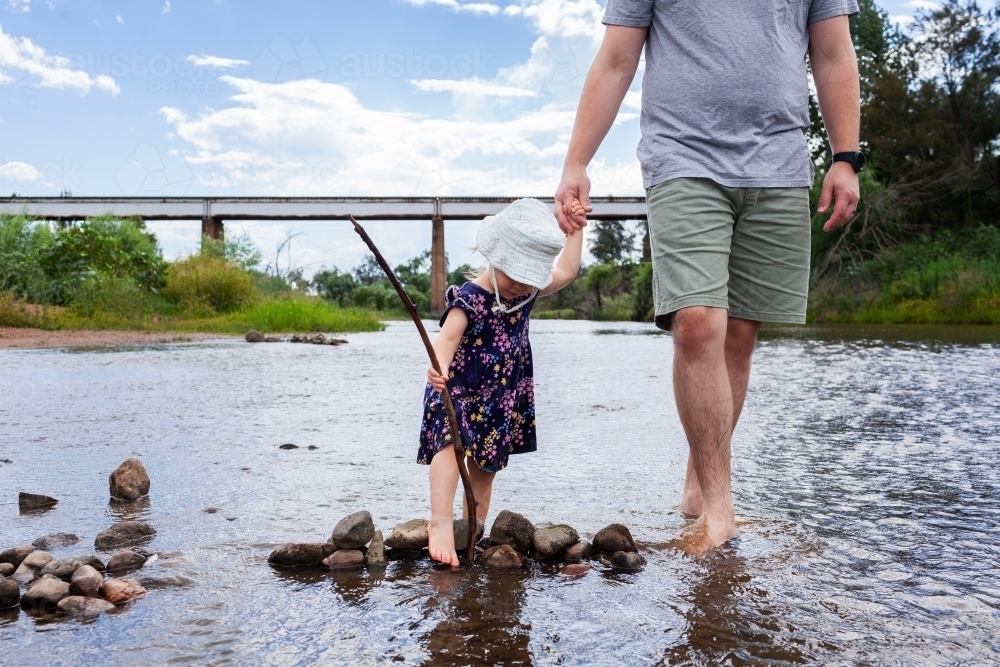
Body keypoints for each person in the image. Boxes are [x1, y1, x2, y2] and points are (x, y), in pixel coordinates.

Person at [554, 0, 864, 555]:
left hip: (778, 164)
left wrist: (846, 156)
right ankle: (722, 511)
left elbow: (833, 51)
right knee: (696, 323)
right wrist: (576, 162)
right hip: (683, 156)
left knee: (739, 339)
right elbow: (616, 60)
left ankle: (698, 491)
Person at [420, 197, 585, 566]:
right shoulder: (471, 299)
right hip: (458, 389)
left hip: (501, 395)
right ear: (492, 257)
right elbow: (445, 340)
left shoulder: (525, 291)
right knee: (449, 446)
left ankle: (472, 528)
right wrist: (438, 369)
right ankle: (441, 521)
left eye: (530, 280)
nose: (522, 286)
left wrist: (575, 229)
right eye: (516, 276)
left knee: (486, 467)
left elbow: (570, 269)